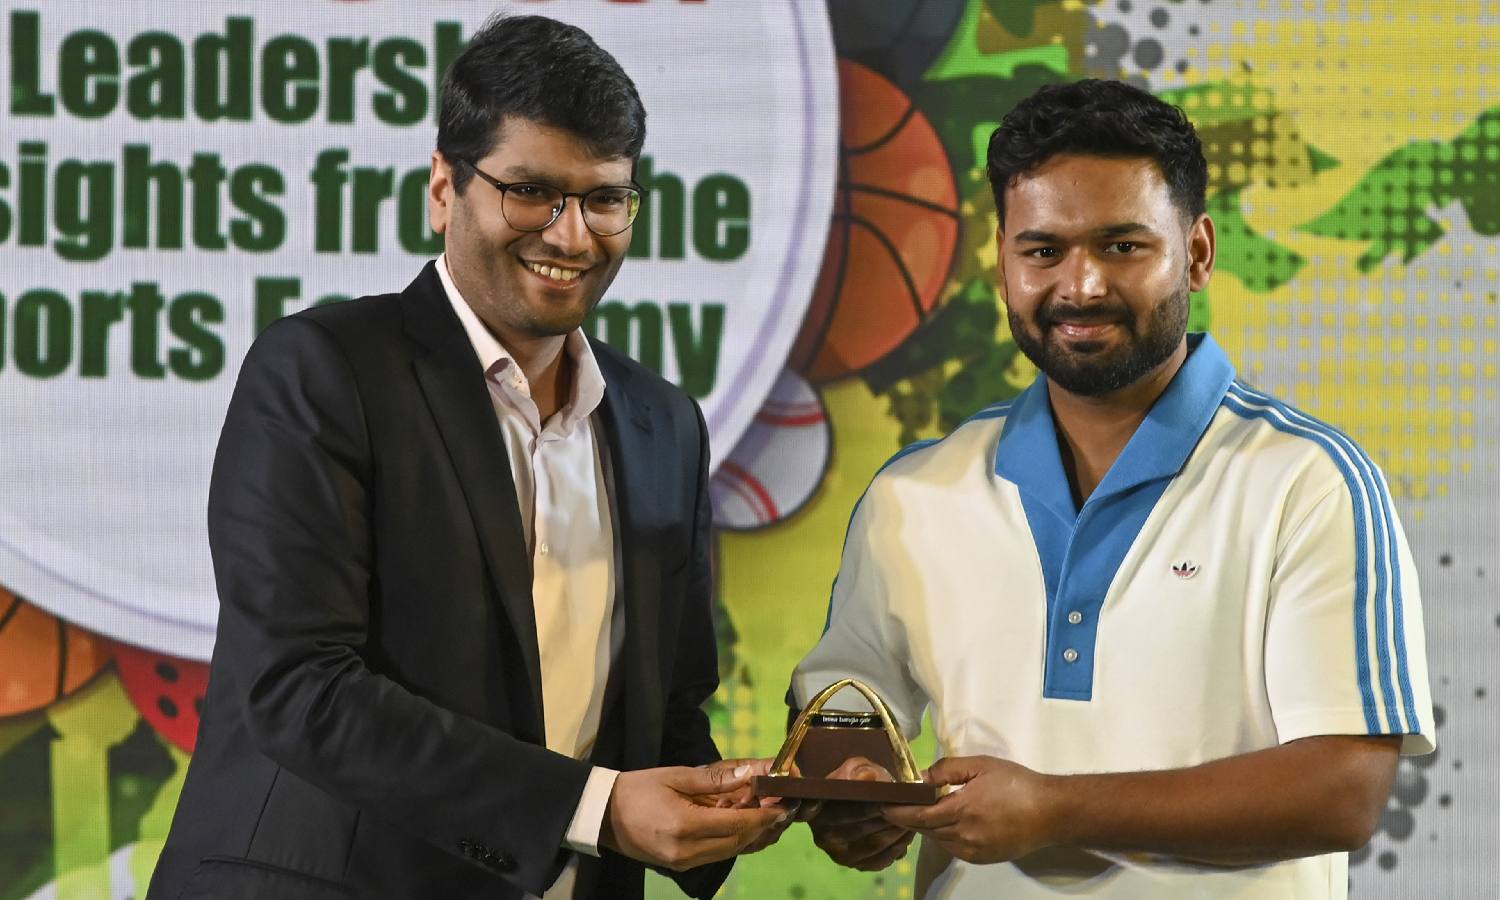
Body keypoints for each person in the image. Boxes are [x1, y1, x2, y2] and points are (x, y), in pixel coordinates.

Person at [147, 15, 787, 900]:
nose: (573, 236)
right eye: (532, 192)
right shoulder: (324, 372)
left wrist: (771, 800)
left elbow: (666, 715)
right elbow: (298, 687)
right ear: (444, 189)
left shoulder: (663, 426)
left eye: (605, 198)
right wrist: (595, 809)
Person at [791, 79, 1434, 899]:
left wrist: (1056, 810)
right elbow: (843, 705)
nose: (1082, 285)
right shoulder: (915, 492)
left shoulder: (1309, 482)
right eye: (1043, 251)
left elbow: (1342, 791)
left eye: (1122, 246)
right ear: (1003, 259)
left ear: (1197, 252)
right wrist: (856, 791)